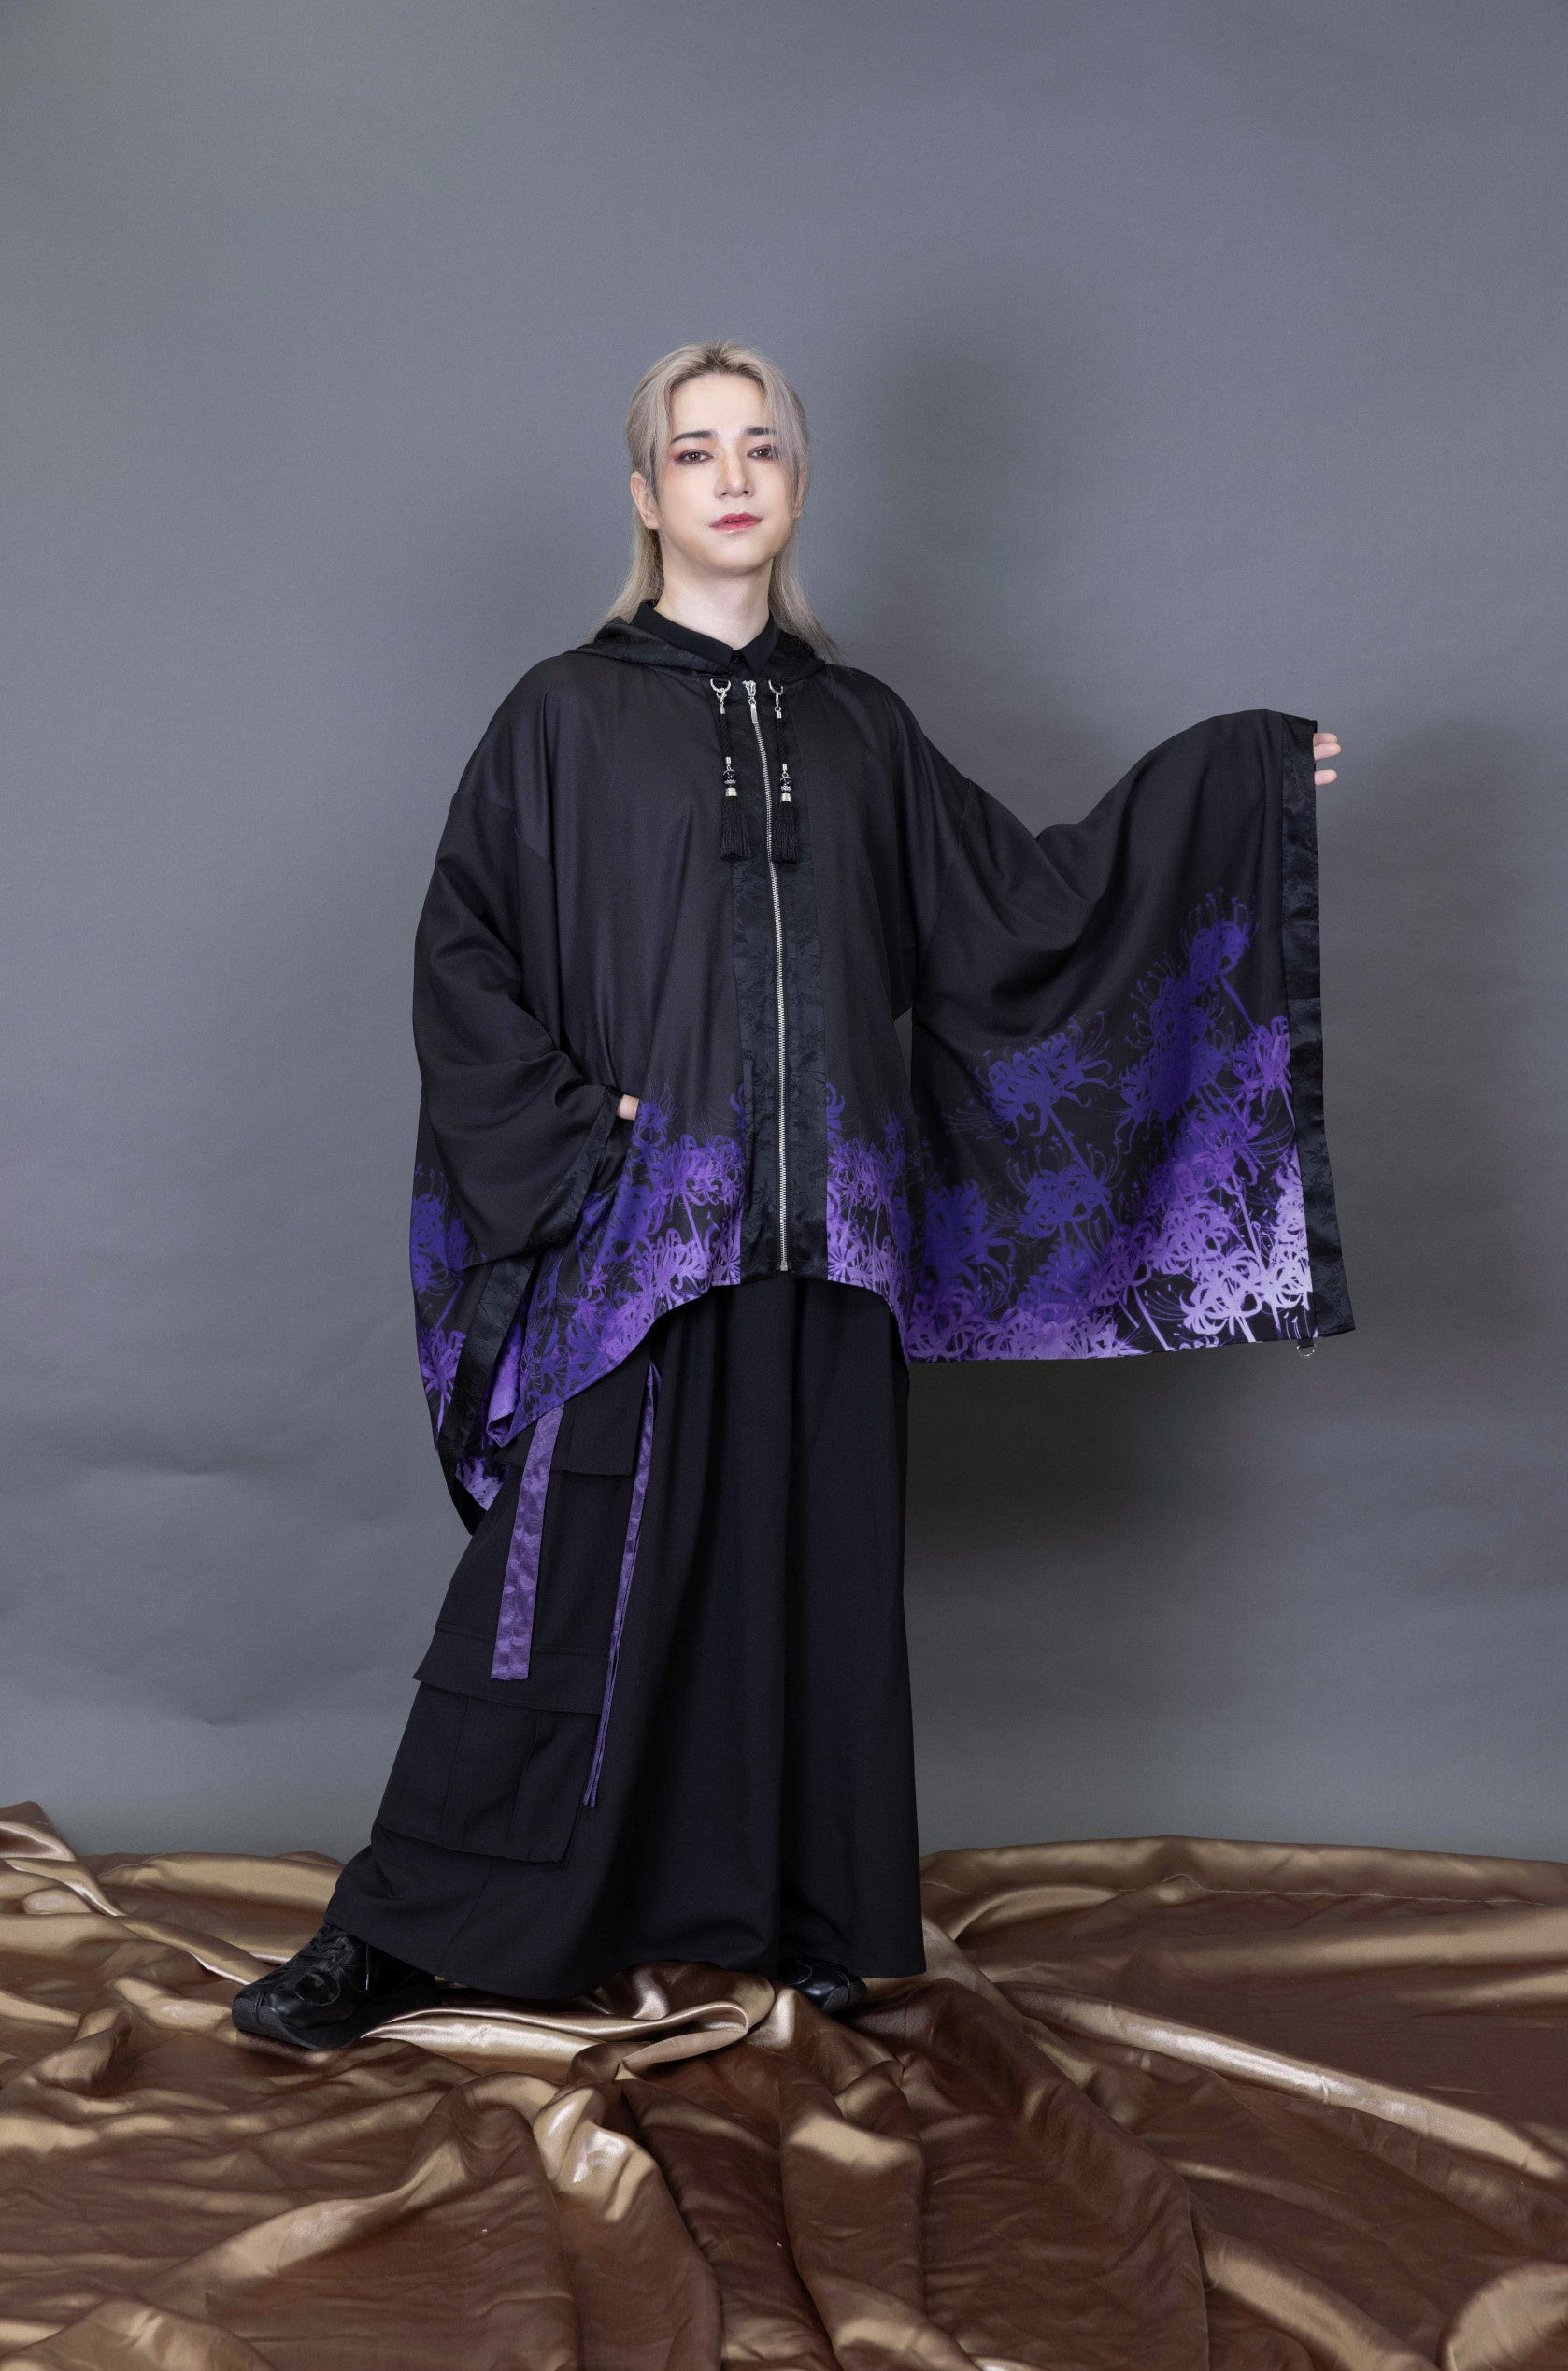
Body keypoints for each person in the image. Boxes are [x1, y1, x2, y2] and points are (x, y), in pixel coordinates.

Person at [233, 340, 1349, 2051]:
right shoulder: (564, 715)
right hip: (641, 1239)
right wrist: (573, 1128)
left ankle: (801, 1911)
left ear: (799, 484)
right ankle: (400, 1928)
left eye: (760, 446)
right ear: (645, 494)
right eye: (694, 451)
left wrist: (1232, 788)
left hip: (832, 1238)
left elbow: (1025, 914)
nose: (732, 475)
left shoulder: (860, 730)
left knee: (802, 1584)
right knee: (558, 1594)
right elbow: (462, 951)